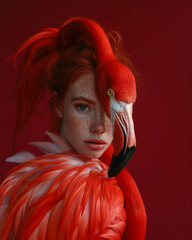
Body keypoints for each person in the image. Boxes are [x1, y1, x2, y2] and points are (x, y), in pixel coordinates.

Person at [0, 17, 146, 239]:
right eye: (83, 107)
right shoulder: (107, 204)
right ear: (59, 107)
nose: (99, 127)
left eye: (109, 112)